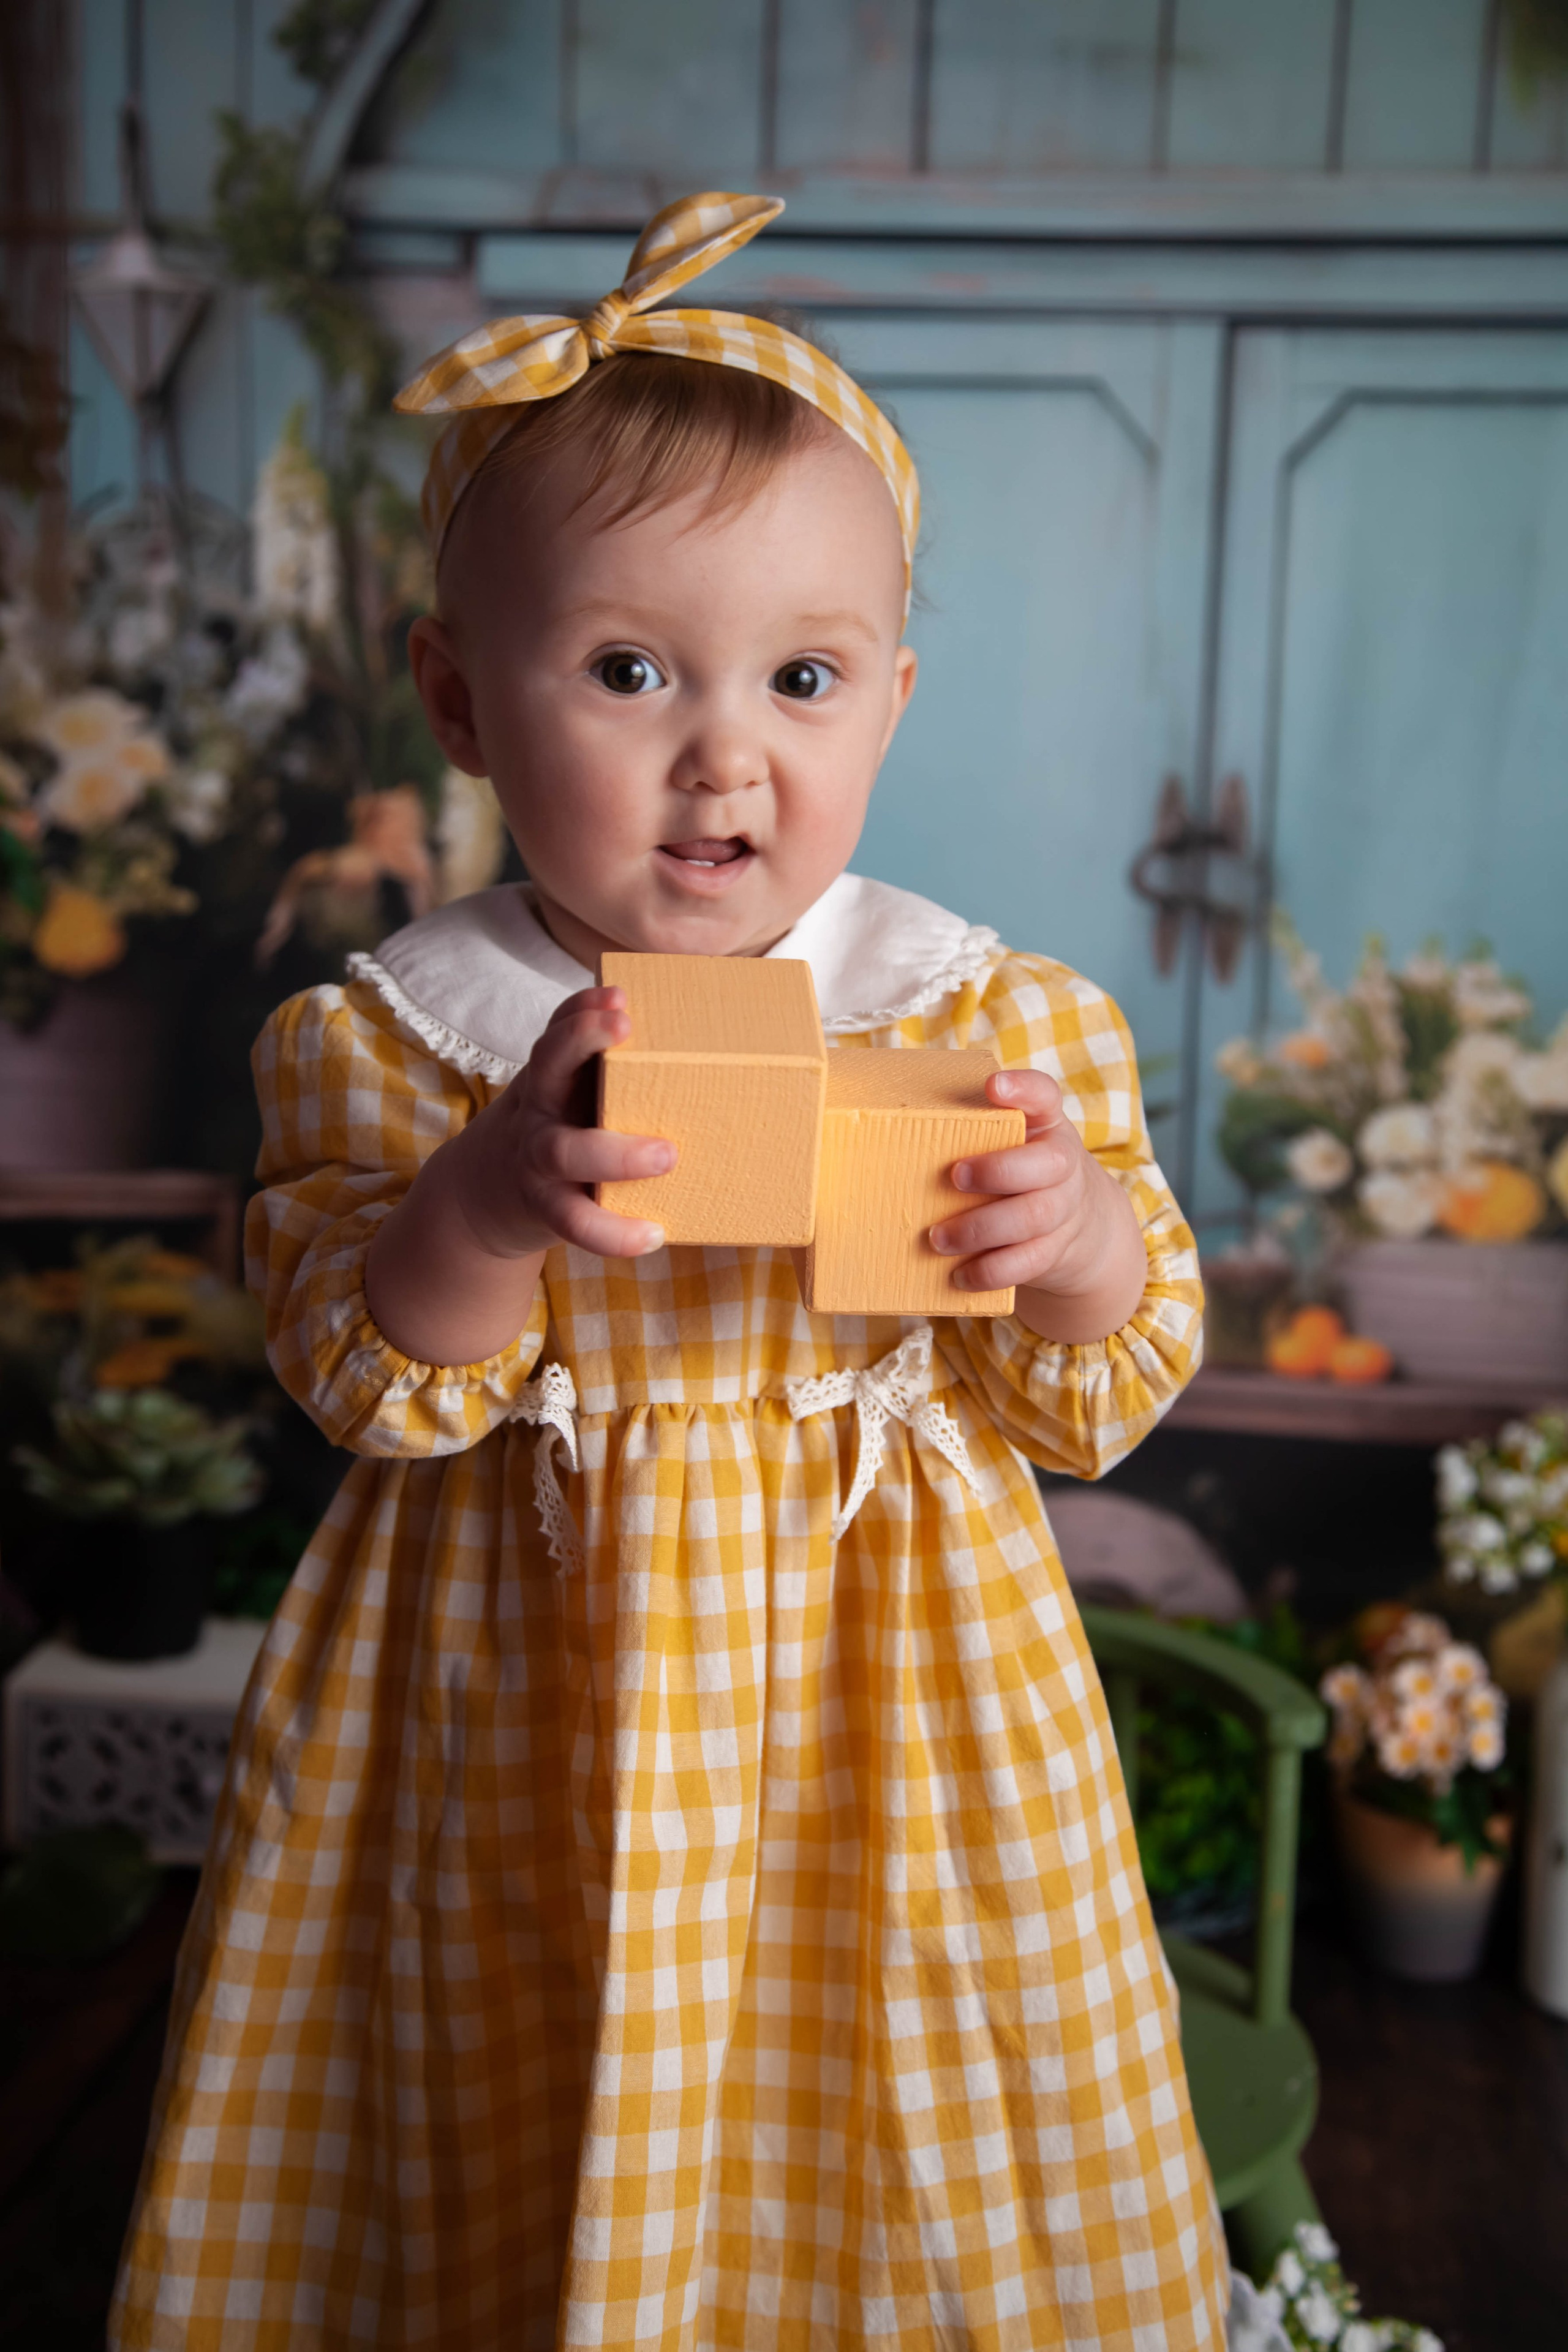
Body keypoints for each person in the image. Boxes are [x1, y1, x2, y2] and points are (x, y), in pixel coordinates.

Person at [112, 193, 1226, 2351]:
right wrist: (488, 1204)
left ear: (890, 701)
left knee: (910, 2126)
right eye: (631, 670)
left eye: (802, 678)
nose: (728, 753)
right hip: (506, 1695)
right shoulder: (392, 1038)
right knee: (479, 2110)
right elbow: (366, 1372)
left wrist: (1075, 1245)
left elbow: (1108, 1385)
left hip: (887, 1704)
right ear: (458, 695)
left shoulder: (990, 1028)